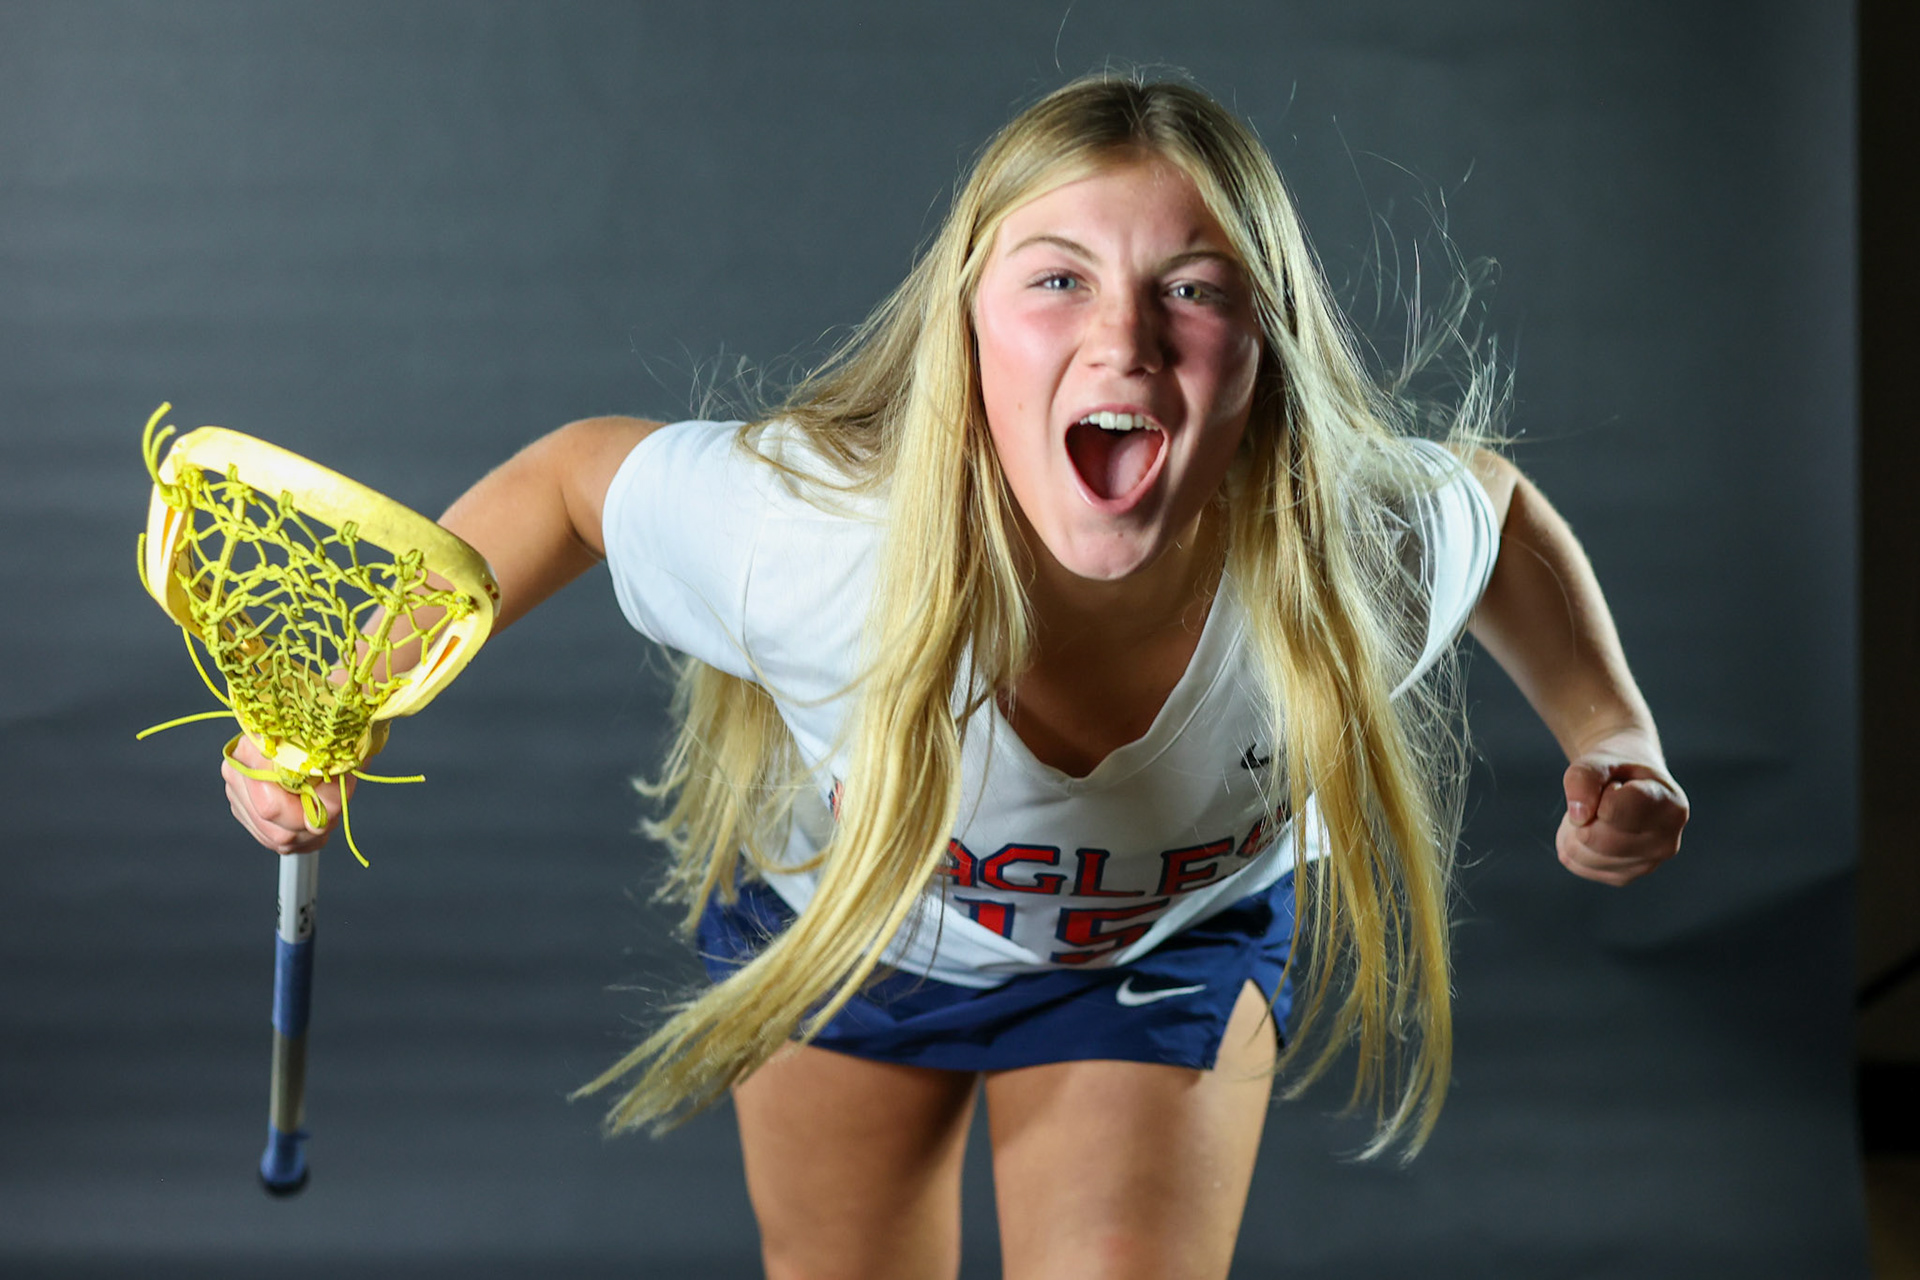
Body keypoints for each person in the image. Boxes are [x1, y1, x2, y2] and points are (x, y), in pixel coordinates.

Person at [224, 76, 1688, 1280]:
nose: (1122, 338)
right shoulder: (814, 545)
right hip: (854, 925)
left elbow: (1495, 512)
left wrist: (1614, 731)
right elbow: (571, 484)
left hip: (1156, 953)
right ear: (969, 327)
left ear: (1264, 347)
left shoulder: (1347, 556)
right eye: (1056, 280)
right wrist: (338, 705)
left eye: (1192, 288)